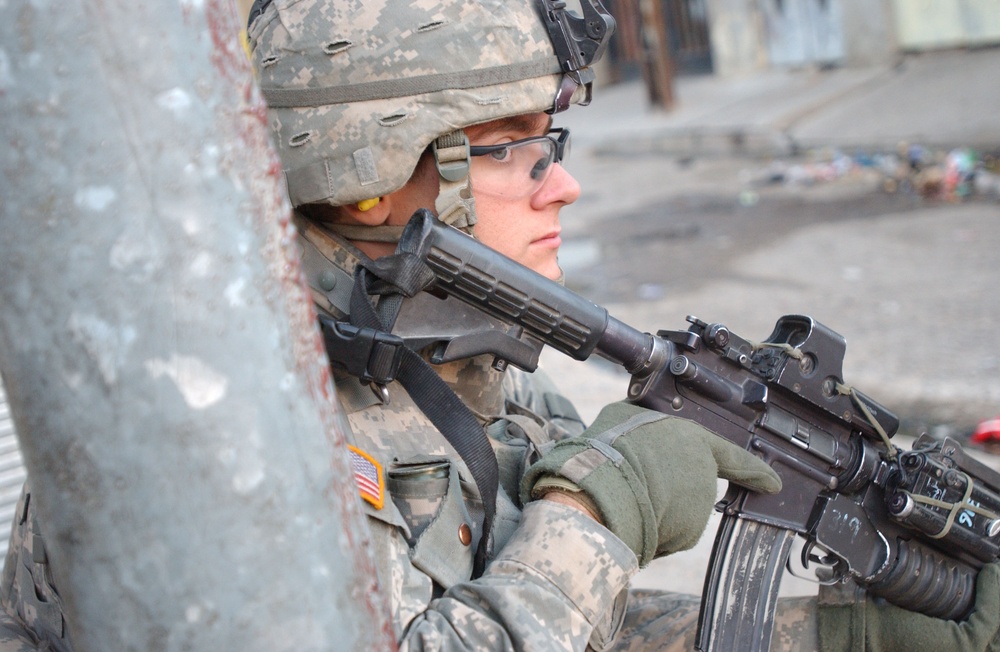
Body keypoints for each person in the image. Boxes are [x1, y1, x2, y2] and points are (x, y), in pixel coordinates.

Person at [1, 0, 998, 650]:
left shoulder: (483, 376)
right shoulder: (217, 431)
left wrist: (840, 637)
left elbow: (574, 624)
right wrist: (594, 514)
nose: (563, 185)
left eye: (551, 142)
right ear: (369, 177)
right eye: (518, 152)